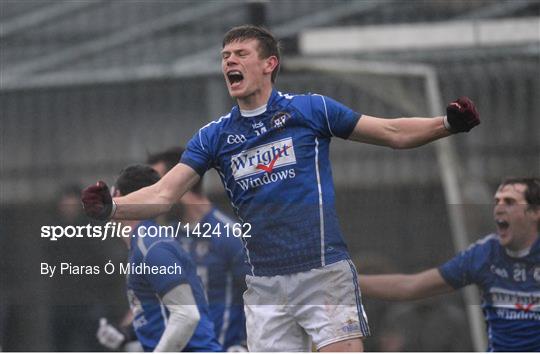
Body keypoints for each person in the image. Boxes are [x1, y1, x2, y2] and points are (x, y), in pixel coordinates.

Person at [82, 25, 480, 352]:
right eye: (225, 57)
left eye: (240, 54)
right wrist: (109, 209)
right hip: (266, 285)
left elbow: (391, 132)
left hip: (322, 271)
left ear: (270, 63)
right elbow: (164, 194)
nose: (230, 62)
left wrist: (445, 124)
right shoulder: (214, 136)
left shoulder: (310, 110)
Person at [358, 177, 540, 352]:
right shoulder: (484, 254)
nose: (500, 209)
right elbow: (411, 285)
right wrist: (350, 280)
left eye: (509, 202)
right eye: (498, 202)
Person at [110, 164, 222, 352]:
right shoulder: (143, 244)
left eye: (111, 195)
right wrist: (126, 334)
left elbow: (187, 316)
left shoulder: (152, 246)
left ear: (119, 196)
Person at [147, 147, 248, 351]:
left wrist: (246, 345)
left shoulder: (230, 235)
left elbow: (262, 298)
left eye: (159, 187)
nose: (153, 196)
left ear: (182, 184)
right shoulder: (167, 239)